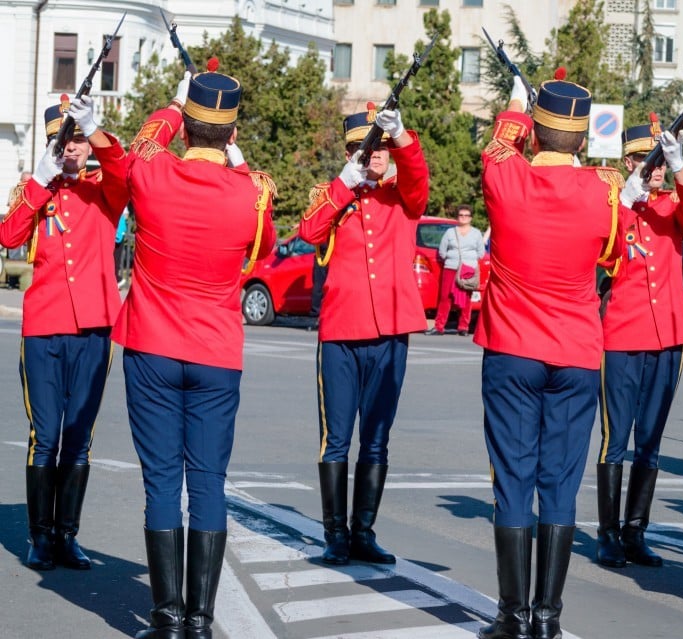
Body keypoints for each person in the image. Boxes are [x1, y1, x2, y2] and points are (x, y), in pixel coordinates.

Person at [110, 70, 276, 638]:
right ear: (230, 131)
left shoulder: (155, 174)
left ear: (187, 129)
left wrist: (175, 102)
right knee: (207, 482)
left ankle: (167, 617)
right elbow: (266, 247)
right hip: (215, 353)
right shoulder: (250, 192)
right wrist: (241, 168)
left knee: (161, 483)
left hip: (153, 347)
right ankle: (201, 621)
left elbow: (142, 143)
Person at [474, 75, 624, 639]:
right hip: (577, 351)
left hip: (513, 348)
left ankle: (512, 618)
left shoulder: (506, 175)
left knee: (513, 482)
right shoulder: (604, 189)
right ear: (583, 138)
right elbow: (615, 257)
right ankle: (547, 618)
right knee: (560, 485)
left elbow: (498, 145)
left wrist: (516, 102)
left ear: (535, 132)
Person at [298, 102, 429, 567]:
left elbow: (419, 181)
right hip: (340, 331)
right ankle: (335, 534)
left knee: (376, 439)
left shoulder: (402, 196)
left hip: (391, 331)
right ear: (351, 152)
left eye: (380, 148)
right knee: (336, 439)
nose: (373, 156)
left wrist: (404, 141)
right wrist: (343, 185)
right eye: (363, 148)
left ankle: (363, 532)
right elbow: (309, 231)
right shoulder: (334, 193)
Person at [0, 96, 126, 571]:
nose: (72, 148)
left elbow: (124, 172)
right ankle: (39, 536)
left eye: (77, 139)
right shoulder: (34, 190)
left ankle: (67, 535)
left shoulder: (104, 190)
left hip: (93, 328)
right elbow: (9, 236)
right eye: (64, 139)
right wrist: (38, 179)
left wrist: (97, 132)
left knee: (78, 437)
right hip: (45, 328)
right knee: (44, 435)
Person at [596, 117, 683, 570]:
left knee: (651, 441)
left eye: (658, 161)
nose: (654, 169)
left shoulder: (670, 205)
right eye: (648, 160)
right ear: (629, 162)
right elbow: (604, 255)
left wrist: (680, 167)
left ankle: (635, 531)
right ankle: (607, 535)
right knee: (615, 440)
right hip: (623, 334)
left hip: (668, 335)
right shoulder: (614, 205)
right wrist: (623, 203)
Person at [427, 204, 484, 336]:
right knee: (445, 297)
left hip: (468, 270)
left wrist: (468, 261)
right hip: (451, 268)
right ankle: (439, 326)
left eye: (466, 215)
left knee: (466, 299)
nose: (463, 218)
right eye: (461, 215)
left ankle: (463, 327)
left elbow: (480, 253)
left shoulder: (476, 234)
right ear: (457, 217)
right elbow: (442, 251)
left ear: (471, 218)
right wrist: (451, 259)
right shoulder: (450, 232)